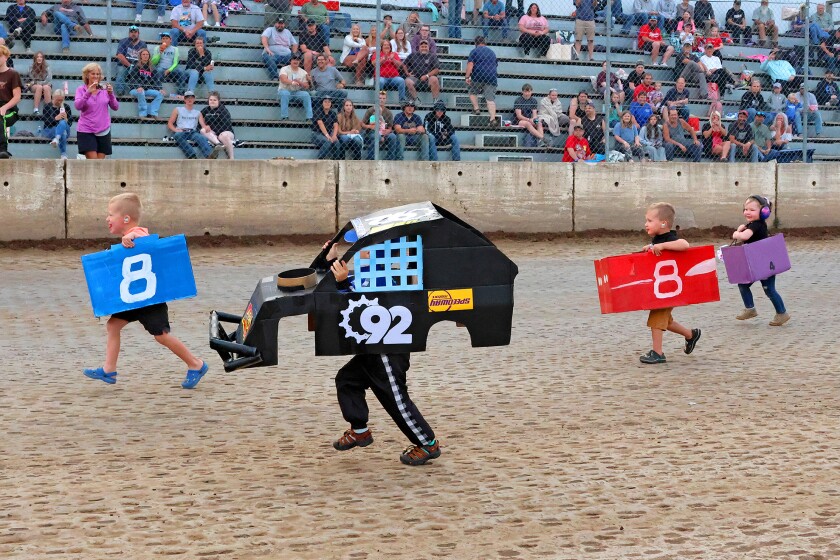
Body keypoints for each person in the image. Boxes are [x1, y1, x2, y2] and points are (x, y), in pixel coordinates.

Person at [325, 240, 440, 466]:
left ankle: (428, 442)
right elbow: (335, 286)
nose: (360, 251)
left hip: (387, 351)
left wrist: (343, 282)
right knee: (347, 379)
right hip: (372, 348)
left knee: (395, 400)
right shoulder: (371, 273)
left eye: (367, 248)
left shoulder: (386, 278)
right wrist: (331, 260)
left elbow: (360, 305)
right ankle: (360, 430)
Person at [83, 193, 209, 389]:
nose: (107, 219)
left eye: (110, 215)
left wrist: (131, 236)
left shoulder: (136, 234)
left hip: (150, 300)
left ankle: (196, 364)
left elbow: (144, 235)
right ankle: (109, 370)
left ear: (125, 219)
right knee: (113, 325)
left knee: (161, 336)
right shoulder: (126, 240)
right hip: (133, 298)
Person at [638, 202, 702, 364]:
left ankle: (658, 353)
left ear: (664, 223)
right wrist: (651, 247)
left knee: (656, 317)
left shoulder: (668, 238)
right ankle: (691, 335)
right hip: (661, 287)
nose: (646, 224)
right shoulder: (657, 239)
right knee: (665, 320)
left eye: (650, 220)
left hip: (670, 287)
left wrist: (662, 245)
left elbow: (684, 245)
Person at [731, 195, 789, 326]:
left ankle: (782, 313)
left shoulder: (757, 225)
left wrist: (736, 233)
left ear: (764, 212)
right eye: (746, 209)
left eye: (752, 210)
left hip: (764, 263)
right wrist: (742, 229)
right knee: (743, 284)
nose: (747, 212)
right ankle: (750, 309)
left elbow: (745, 237)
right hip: (755, 262)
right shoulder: (752, 224)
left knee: (769, 289)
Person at [74, 63, 117, 159]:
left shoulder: (104, 90)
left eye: (98, 74)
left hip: (103, 129)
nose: (96, 76)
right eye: (93, 74)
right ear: (87, 75)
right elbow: (78, 106)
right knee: (93, 162)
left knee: (100, 165)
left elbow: (115, 107)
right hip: (86, 129)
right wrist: (88, 92)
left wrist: (111, 94)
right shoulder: (81, 90)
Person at [168, 90, 214, 158]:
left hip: (192, 132)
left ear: (194, 99)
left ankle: (209, 155)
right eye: (187, 98)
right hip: (181, 131)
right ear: (184, 99)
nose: (189, 99)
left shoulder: (198, 113)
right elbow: (170, 123)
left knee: (200, 137)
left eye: (191, 98)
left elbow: (203, 125)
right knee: (177, 135)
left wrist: (206, 127)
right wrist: (175, 130)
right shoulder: (178, 109)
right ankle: (192, 155)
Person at [127, 47, 165, 118]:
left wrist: (160, 88)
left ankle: (152, 112)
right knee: (141, 92)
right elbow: (133, 79)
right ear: (140, 56)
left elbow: (157, 80)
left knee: (161, 94)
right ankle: (143, 113)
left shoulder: (152, 68)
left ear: (149, 56)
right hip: (135, 89)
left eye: (147, 54)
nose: (145, 56)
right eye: (143, 54)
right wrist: (138, 86)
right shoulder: (136, 66)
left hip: (147, 89)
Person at [362, 90, 398, 160]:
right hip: (371, 132)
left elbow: (390, 128)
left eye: (384, 98)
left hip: (383, 132)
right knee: (377, 136)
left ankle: (390, 159)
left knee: (393, 136)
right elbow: (362, 124)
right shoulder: (371, 110)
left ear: (386, 100)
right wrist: (370, 126)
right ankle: (371, 158)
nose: (382, 100)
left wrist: (387, 131)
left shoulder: (388, 113)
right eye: (380, 98)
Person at [200, 90, 235, 159]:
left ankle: (231, 158)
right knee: (203, 130)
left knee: (223, 136)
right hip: (213, 134)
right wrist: (205, 126)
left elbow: (226, 125)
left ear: (218, 101)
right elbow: (199, 119)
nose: (212, 101)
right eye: (210, 100)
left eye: (215, 100)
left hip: (225, 131)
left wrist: (214, 130)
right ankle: (218, 144)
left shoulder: (223, 110)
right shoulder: (205, 110)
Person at [0, 45, 21, 158]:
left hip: (9, 109)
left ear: (6, 57)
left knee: (0, 116)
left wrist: (4, 107)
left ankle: (3, 150)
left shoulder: (13, 74)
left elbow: (17, 97)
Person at [261, 17, 298, 81]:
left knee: (295, 60)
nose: (280, 25)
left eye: (282, 24)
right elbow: (264, 38)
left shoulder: (287, 32)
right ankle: (275, 77)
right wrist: (267, 49)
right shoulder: (270, 30)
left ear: (284, 24)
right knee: (269, 58)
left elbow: (295, 44)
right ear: (275, 23)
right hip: (273, 54)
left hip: (287, 55)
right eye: (279, 23)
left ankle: (293, 78)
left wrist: (293, 54)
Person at [277, 53, 311, 120]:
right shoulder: (284, 69)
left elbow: (306, 86)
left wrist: (299, 82)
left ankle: (309, 117)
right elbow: (283, 79)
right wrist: (292, 82)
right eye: (294, 59)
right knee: (285, 93)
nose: (296, 61)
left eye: (298, 60)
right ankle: (284, 116)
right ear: (290, 61)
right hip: (284, 90)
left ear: (300, 61)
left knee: (306, 94)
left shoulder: (303, 72)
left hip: (296, 92)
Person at [404, 39, 440, 103]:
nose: (424, 48)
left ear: (429, 47)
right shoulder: (413, 55)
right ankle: (416, 99)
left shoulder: (432, 56)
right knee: (407, 81)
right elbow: (404, 64)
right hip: (415, 78)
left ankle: (435, 100)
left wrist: (427, 76)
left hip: (428, 79)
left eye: (425, 47)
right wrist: (407, 73)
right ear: (419, 47)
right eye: (422, 47)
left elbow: (436, 69)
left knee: (435, 79)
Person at [40, 88, 71, 159]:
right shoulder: (47, 106)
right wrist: (55, 119)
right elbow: (46, 122)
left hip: (65, 129)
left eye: (61, 100)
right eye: (58, 100)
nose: (60, 102)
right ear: (53, 98)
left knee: (63, 122)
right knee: (62, 133)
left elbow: (70, 123)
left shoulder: (66, 107)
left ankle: (56, 139)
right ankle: (63, 154)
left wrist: (66, 119)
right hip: (50, 129)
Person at [115, 25, 147, 95]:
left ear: (138, 33)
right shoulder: (123, 41)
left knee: (144, 71)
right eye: (131, 32)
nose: (133, 34)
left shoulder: (143, 44)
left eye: (135, 32)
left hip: (137, 65)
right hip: (124, 65)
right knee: (121, 71)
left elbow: (144, 57)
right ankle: (120, 91)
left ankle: (138, 91)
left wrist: (136, 66)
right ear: (129, 33)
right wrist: (129, 65)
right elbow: (119, 55)